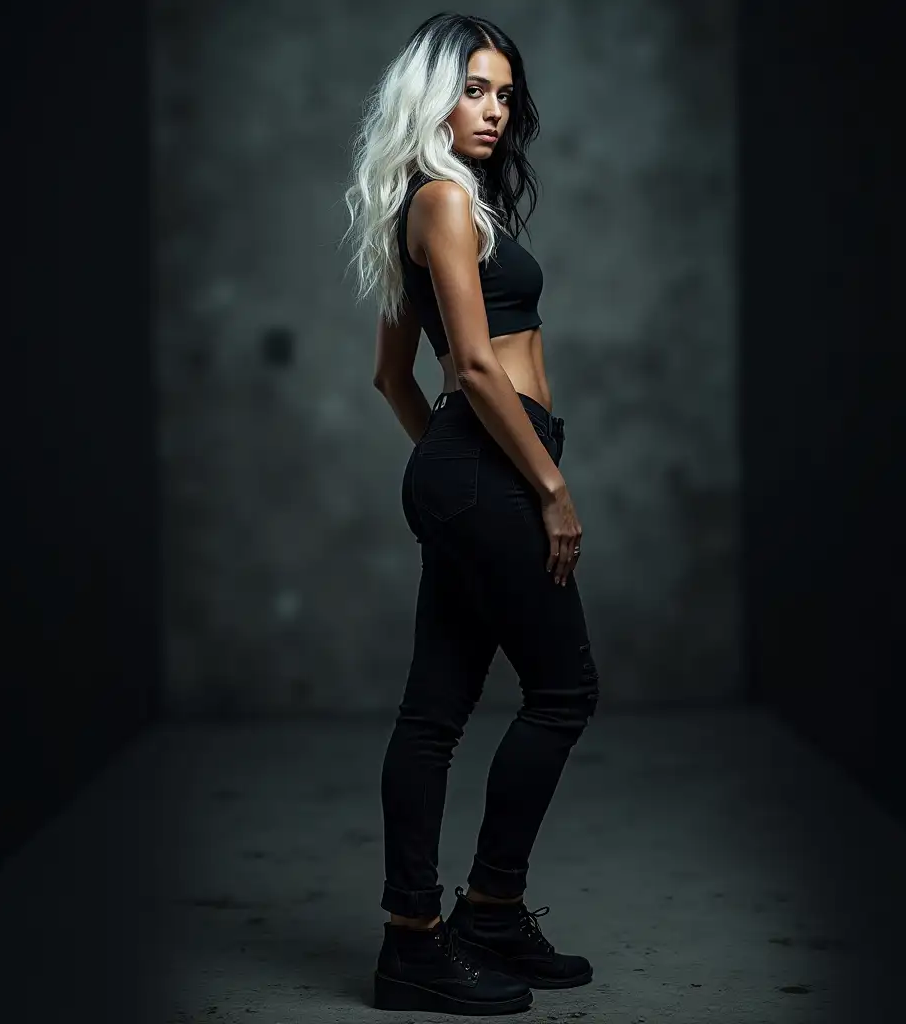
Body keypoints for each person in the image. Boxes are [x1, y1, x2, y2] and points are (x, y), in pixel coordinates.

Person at [341, 11, 600, 1016]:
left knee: (435, 714)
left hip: (470, 470)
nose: (492, 109)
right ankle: (468, 915)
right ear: (430, 95)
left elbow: (388, 374)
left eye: (501, 92)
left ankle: (438, 932)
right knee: (563, 690)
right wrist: (542, 489)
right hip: (495, 466)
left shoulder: (439, 200)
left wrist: (452, 480)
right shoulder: (443, 202)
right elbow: (480, 368)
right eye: (472, 89)